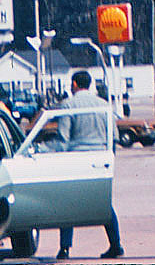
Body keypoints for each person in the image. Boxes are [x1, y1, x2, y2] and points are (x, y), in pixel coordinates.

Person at [56, 70, 124, 260]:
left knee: (68, 205)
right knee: (104, 204)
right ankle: (115, 244)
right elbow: (114, 137)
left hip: (77, 160)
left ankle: (65, 249)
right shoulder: (104, 105)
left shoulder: (68, 105)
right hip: (101, 159)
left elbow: (64, 138)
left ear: (76, 84)